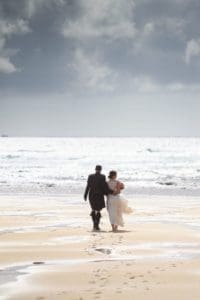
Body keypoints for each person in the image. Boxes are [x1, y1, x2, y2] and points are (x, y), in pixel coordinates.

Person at [84, 165, 113, 231]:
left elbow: (88, 186)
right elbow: (104, 187)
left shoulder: (90, 176)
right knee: (98, 210)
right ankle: (97, 225)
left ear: (95, 169)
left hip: (91, 195)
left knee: (93, 209)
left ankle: (94, 225)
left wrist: (85, 195)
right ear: (101, 170)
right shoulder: (102, 177)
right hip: (99, 195)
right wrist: (110, 192)